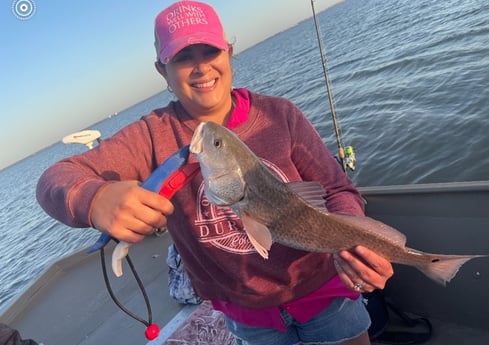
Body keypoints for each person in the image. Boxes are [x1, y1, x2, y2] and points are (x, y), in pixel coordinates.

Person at [36, 1, 393, 344]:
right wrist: (94, 198)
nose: (201, 67)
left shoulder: (280, 114)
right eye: (183, 57)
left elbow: (337, 189)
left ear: (229, 51)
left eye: (210, 51)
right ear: (162, 70)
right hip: (246, 311)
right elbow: (56, 177)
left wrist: (354, 240)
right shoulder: (150, 135)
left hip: (324, 288)